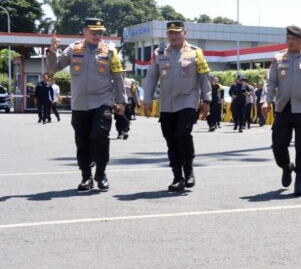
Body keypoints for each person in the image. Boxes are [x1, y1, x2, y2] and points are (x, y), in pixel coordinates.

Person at [47, 18, 126, 191]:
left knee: (100, 136)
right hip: (80, 104)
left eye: (100, 32)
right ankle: (86, 177)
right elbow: (54, 68)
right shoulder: (73, 49)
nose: (98, 35)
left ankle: (101, 173)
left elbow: (118, 77)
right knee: (82, 142)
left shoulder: (110, 51)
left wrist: (121, 101)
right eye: (94, 32)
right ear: (84, 31)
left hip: (103, 101)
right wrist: (52, 50)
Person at [143, 20, 211, 192]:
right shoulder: (159, 53)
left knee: (182, 134)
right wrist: (147, 100)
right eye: (170, 32)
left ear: (184, 33)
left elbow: (203, 77)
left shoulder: (196, 53)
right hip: (167, 104)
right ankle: (177, 177)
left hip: (188, 101)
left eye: (177, 32)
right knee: (171, 140)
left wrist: (206, 100)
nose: (173, 35)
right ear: (167, 34)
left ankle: (189, 171)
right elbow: (151, 77)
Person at [262, 25, 301, 196]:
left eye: (293, 39)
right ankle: (286, 166)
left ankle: (300, 180)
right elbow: (270, 82)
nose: (290, 42)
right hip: (284, 108)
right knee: (278, 144)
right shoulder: (278, 58)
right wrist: (266, 101)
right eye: (288, 39)